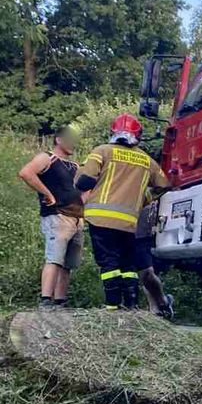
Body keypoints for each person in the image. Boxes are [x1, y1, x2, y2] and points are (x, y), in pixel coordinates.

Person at [75, 114, 169, 309]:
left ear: (113, 132)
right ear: (138, 136)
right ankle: (131, 304)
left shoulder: (102, 151)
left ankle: (112, 306)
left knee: (108, 263)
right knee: (127, 265)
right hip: (129, 222)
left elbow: (83, 181)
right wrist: (145, 199)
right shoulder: (147, 161)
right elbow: (164, 184)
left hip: (100, 218)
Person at [18, 125, 84, 308]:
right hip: (57, 216)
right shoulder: (47, 158)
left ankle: (60, 301)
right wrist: (48, 194)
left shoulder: (74, 165)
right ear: (59, 140)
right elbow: (26, 173)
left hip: (76, 218)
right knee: (54, 258)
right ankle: (45, 300)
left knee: (68, 264)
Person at [132, 198, 174, 319]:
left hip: (147, 234)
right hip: (127, 232)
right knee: (138, 275)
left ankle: (162, 302)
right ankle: (155, 310)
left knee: (147, 274)